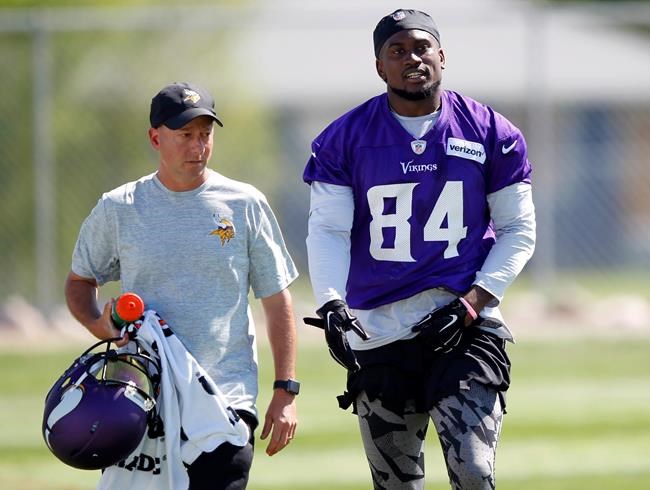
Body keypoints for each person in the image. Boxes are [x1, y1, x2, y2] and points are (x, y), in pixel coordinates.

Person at [303, 9, 536, 490]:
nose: (412, 58)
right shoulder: (344, 139)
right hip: (381, 327)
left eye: (421, 47)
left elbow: (519, 230)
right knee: (396, 485)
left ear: (442, 57)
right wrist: (330, 302)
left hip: (463, 326)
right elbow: (329, 230)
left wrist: (474, 303)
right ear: (379, 67)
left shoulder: (490, 131)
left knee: (474, 472)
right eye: (397, 51)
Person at [65, 81, 300, 489]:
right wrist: (97, 325)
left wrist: (285, 391)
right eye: (185, 135)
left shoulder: (244, 203)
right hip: (141, 399)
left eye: (205, 135)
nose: (198, 147)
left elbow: (277, 300)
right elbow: (80, 282)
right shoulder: (120, 206)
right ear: (156, 137)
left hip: (226, 397)